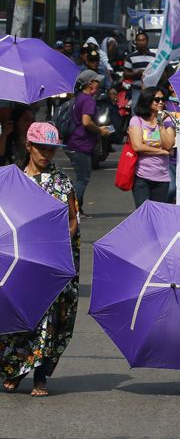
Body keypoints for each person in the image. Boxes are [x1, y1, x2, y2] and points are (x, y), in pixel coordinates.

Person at [0, 122, 80, 397]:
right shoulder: (14, 182)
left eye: (51, 149)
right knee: (19, 316)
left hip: (52, 263)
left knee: (50, 321)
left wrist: (57, 242)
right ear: (29, 146)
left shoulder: (62, 183)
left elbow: (73, 221)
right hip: (19, 261)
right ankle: (15, 370)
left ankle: (40, 377)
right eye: (41, 148)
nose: (46, 154)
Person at [65, 70, 111, 217]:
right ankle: (73, 210)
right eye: (97, 81)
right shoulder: (88, 100)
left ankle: (78, 209)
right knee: (82, 179)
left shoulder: (80, 98)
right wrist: (100, 131)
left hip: (75, 142)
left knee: (81, 178)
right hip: (81, 144)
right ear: (90, 84)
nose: (99, 83)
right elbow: (86, 122)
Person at [128, 87, 175, 208]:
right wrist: (162, 151)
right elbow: (137, 146)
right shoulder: (137, 120)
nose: (161, 102)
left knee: (157, 216)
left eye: (162, 99)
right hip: (142, 177)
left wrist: (160, 124)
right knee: (143, 213)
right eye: (157, 99)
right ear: (147, 101)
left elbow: (169, 144)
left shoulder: (167, 121)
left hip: (162, 178)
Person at [123, 31, 156, 104]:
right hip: (136, 90)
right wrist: (137, 74)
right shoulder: (130, 57)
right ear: (136, 42)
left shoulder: (154, 57)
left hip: (150, 90)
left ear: (147, 41)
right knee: (136, 113)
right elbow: (125, 74)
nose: (141, 42)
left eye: (143, 40)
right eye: (139, 40)